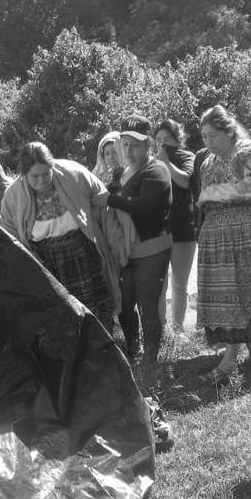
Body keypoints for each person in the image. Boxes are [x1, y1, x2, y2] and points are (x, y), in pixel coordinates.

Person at [196, 105, 251, 382]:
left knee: (246, 293)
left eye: (213, 136)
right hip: (215, 236)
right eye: (204, 137)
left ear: (229, 130)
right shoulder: (207, 162)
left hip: (244, 235)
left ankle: (232, 359)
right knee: (225, 296)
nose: (208, 142)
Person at [0, 141, 123, 330]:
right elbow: (10, 235)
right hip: (47, 262)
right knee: (63, 315)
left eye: (46, 173)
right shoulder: (13, 197)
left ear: (53, 166)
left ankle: (105, 351)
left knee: (97, 310)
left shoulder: (73, 174)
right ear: (23, 174)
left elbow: (101, 198)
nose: (41, 180)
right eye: (35, 176)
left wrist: (113, 241)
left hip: (83, 252)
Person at [97, 115, 172, 370]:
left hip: (152, 249)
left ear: (149, 144)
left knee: (147, 304)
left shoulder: (157, 170)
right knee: (125, 301)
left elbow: (145, 207)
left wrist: (109, 200)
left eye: (136, 145)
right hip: (126, 252)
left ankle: (151, 359)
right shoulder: (121, 171)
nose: (129, 150)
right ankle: (134, 349)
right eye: (126, 144)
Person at [153, 119, 197, 339]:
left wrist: (166, 163)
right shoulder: (152, 161)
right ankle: (160, 330)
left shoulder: (187, 157)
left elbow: (186, 182)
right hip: (159, 232)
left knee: (180, 283)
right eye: (158, 140)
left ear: (178, 140)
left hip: (183, 230)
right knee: (159, 285)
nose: (162, 145)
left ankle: (178, 330)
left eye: (167, 140)